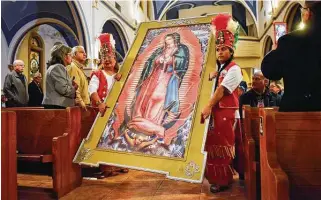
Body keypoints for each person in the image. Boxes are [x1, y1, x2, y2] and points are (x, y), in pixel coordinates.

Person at [121, 32, 189, 144]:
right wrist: (158, 60)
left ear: (174, 40)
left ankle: (150, 124)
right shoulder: (160, 50)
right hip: (153, 77)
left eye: (169, 40)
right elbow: (151, 61)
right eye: (166, 40)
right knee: (143, 97)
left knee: (156, 99)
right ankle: (138, 119)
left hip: (166, 79)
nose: (166, 42)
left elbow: (182, 64)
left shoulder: (180, 50)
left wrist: (170, 60)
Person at [201, 14, 243, 193]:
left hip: (227, 115)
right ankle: (215, 177)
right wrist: (214, 75)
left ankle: (223, 180)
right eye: (217, 49)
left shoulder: (234, 69)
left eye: (224, 49)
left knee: (223, 148)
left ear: (231, 51)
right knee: (214, 146)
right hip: (217, 115)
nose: (220, 52)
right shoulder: (218, 69)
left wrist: (209, 105)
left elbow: (222, 91)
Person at [261, 1, 321, 111]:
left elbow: (269, 71)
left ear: (308, 14)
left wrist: (275, 51)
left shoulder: (288, 41)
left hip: (296, 114)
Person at [88, 33, 121, 115]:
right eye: (104, 58)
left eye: (109, 57)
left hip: (117, 110)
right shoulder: (97, 74)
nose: (106, 60)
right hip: (101, 112)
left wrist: (122, 80)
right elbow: (92, 90)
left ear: (115, 59)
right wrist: (99, 103)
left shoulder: (121, 74)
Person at [42, 44, 77, 109]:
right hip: (58, 106)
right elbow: (63, 89)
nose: (71, 57)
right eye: (70, 55)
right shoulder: (58, 67)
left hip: (57, 105)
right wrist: (74, 88)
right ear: (64, 56)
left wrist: (70, 83)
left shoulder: (55, 67)